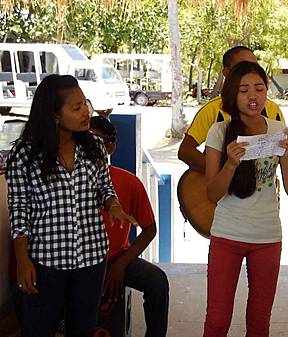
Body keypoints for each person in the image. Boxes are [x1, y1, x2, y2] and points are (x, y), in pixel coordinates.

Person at [6, 74, 136, 337]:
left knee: (83, 328)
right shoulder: (24, 154)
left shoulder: (96, 146)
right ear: (54, 115)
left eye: (85, 104)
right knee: (39, 329)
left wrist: (113, 205)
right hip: (45, 261)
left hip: (91, 258)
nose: (86, 112)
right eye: (76, 108)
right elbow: (19, 209)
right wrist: (22, 259)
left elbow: (104, 187)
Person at [202, 61, 288, 337]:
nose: (253, 96)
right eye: (244, 90)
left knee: (259, 322)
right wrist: (230, 164)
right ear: (232, 94)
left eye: (259, 88)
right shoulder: (219, 133)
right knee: (217, 321)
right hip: (226, 235)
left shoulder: (279, 130)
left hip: (267, 238)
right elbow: (212, 193)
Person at [178, 45, 288, 172]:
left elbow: (284, 155)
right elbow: (186, 151)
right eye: (242, 68)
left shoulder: (272, 111)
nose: (250, 72)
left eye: (255, 67)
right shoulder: (212, 110)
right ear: (227, 73)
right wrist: (224, 171)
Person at [89, 116, 170, 337]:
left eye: (97, 142)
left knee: (157, 281)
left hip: (117, 257)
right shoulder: (71, 180)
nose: (89, 148)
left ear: (111, 146)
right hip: (82, 261)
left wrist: (121, 265)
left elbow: (150, 229)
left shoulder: (128, 181)